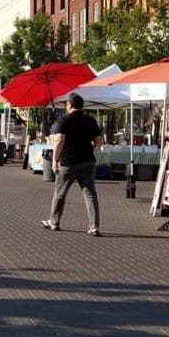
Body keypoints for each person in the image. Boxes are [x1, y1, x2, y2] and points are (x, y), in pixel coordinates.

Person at [41, 92, 103, 236]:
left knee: (60, 193)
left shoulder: (64, 121)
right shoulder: (90, 120)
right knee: (90, 194)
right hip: (88, 161)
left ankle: (54, 222)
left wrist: (54, 161)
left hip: (68, 162)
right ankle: (94, 227)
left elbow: (59, 141)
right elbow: (97, 141)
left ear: (69, 105)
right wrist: (88, 150)